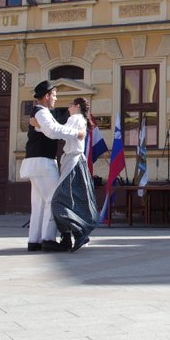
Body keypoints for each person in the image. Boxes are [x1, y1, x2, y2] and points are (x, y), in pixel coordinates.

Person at [20, 80, 85, 253]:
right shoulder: (42, 113)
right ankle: (48, 239)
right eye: (54, 95)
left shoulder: (40, 114)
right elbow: (54, 131)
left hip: (36, 162)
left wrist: (42, 126)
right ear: (47, 96)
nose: (56, 99)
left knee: (39, 202)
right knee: (54, 199)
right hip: (42, 162)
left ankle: (34, 240)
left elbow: (51, 129)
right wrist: (77, 133)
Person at [49, 97, 98, 252]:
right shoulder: (81, 119)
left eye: (70, 105)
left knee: (58, 201)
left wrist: (46, 127)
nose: (68, 108)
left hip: (73, 162)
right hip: (76, 162)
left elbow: (63, 133)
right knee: (74, 200)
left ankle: (78, 231)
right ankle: (69, 235)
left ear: (76, 106)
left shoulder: (75, 118)